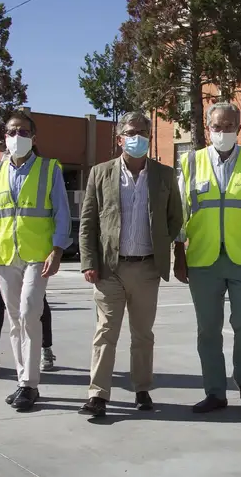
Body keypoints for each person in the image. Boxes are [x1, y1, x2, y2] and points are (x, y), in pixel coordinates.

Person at [78, 111, 183, 418]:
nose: (136, 138)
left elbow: (175, 217)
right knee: (105, 332)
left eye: (142, 132)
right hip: (110, 268)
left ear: (149, 139)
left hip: (148, 268)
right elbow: (88, 222)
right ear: (119, 138)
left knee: (142, 334)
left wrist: (162, 243)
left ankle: (142, 389)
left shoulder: (163, 175)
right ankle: (98, 394)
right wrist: (88, 261)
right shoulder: (100, 173)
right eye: (130, 132)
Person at [0, 111, 71, 411]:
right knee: (14, 321)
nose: (17, 137)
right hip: (6, 256)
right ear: (5, 137)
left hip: (39, 255)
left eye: (24, 132)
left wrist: (58, 248)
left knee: (29, 312)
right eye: (12, 132)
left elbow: (61, 212)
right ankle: (23, 379)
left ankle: (29, 384)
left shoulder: (50, 169)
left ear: (34, 138)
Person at [175, 102, 241, 413]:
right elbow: (180, 211)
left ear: (240, 128)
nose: (223, 132)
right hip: (203, 258)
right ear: (208, 129)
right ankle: (215, 392)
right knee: (208, 329)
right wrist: (178, 253)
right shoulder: (191, 162)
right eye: (217, 127)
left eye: (229, 126)